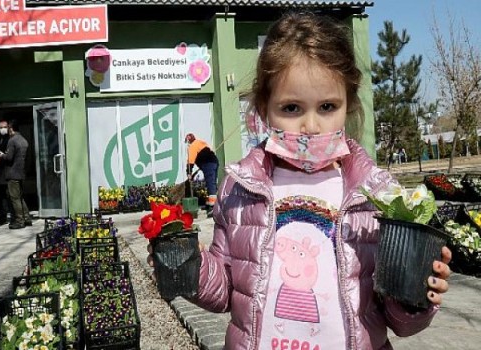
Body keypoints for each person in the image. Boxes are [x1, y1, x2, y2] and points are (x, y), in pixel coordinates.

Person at [149, 12, 451, 349]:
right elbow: (225, 292)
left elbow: (399, 322)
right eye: (292, 108)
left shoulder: (375, 196)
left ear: (348, 104)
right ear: (264, 108)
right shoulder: (241, 190)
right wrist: (190, 264)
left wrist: (416, 297)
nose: (311, 125)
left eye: (327, 106)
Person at [0, 119, 31, 229]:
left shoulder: (12, 141)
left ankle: (20, 221)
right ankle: (27, 218)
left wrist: (2, 155)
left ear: (11, 129)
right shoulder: (23, 140)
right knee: (20, 197)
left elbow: (9, 157)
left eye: (7, 128)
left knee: (15, 198)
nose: (6, 130)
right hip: (21, 173)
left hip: (12, 173)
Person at [185, 133, 219, 217]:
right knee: (212, 182)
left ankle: (213, 207)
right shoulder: (200, 142)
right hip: (214, 162)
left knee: (210, 183)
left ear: (189, 141)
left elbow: (190, 161)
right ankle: (212, 203)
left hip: (208, 164)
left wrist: (189, 173)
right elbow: (207, 151)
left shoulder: (192, 146)